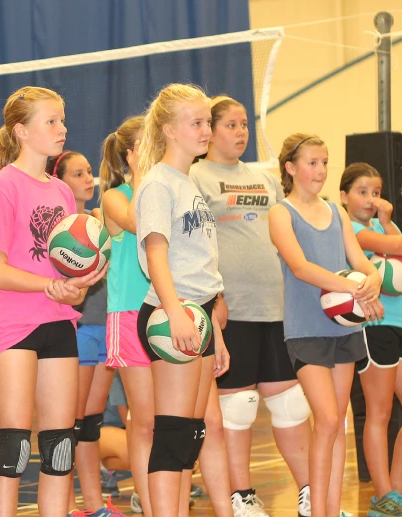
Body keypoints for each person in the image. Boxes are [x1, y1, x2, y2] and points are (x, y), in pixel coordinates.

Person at [0, 86, 106, 517]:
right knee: (14, 448)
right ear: (22, 131)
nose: (62, 128)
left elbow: (68, 272)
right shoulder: (2, 187)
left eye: (63, 119)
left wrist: (82, 283)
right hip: (15, 327)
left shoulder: (62, 192)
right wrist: (47, 287)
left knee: (60, 449)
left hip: (60, 323)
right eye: (51, 121)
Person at [190, 96, 311, 517]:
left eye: (245, 125)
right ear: (210, 130)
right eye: (231, 125)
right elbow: (193, 245)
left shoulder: (264, 179)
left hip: (275, 307)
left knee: (291, 403)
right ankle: (241, 496)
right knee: (236, 407)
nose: (240, 132)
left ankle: (310, 491)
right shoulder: (195, 176)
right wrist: (213, 299)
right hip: (231, 310)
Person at [268, 133, 384, 517]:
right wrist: (352, 285)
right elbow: (300, 267)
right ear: (291, 167)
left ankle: (331, 510)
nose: (320, 170)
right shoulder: (282, 212)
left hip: (345, 330)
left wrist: (373, 281)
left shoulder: (337, 212)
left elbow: (361, 260)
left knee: (339, 425)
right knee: (329, 417)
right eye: (312, 163)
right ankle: (318, 511)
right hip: (305, 330)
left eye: (324, 162)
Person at [131, 83, 231, 517]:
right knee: (173, 433)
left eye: (208, 121)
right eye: (197, 123)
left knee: (192, 433)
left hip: (199, 314)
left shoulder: (188, 181)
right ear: (170, 130)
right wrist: (175, 313)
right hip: (172, 312)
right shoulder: (157, 184)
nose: (206, 130)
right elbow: (156, 254)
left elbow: (201, 264)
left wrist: (216, 334)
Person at [47, 151, 121, 517]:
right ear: (60, 180)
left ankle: (94, 504)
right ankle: (66, 503)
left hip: (102, 326)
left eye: (90, 172)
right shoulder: (58, 230)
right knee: (69, 421)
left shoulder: (98, 220)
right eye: (79, 174)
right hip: (74, 328)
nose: (89, 179)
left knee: (91, 422)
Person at [339, 162, 402, 517]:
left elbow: (395, 244)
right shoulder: (351, 230)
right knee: (378, 413)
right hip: (373, 326)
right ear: (344, 196)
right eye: (362, 192)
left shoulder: (382, 226)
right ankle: (382, 495)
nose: (370, 199)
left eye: (376, 192)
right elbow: (393, 245)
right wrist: (390, 228)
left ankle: (397, 490)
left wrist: (387, 217)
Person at [99, 115, 156, 516]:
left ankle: (165, 498)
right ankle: (149, 501)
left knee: (172, 419)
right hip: (129, 315)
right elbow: (143, 224)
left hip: (167, 311)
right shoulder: (115, 196)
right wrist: (140, 176)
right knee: (145, 418)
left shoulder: (170, 189)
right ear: (132, 154)